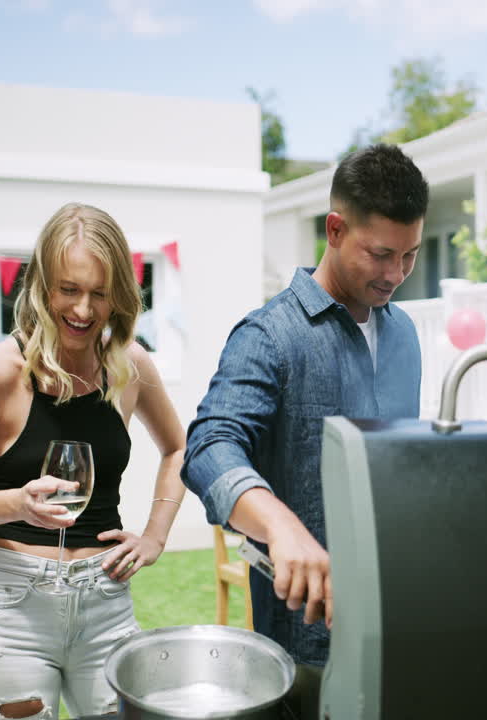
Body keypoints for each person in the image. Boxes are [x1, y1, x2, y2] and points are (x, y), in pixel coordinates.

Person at [0, 203, 186, 719]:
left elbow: (179, 448)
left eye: (100, 293)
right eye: (69, 289)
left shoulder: (130, 366)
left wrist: (155, 535)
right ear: (41, 283)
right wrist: (15, 503)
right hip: (12, 611)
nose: (85, 311)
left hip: (107, 600)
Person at [182, 144, 428, 671]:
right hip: (305, 647)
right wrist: (281, 526)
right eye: (381, 254)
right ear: (335, 230)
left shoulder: (404, 333)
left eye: (409, 255)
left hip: (398, 621)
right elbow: (208, 447)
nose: (396, 273)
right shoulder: (268, 336)